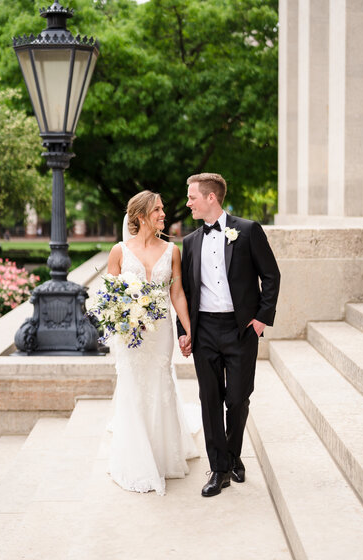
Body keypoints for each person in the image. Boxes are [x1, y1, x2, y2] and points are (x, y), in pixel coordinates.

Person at [177, 173, 280, 497]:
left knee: (237, 399)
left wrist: (262, 319)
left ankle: (234, 455)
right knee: (209, 401)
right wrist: (185, 331)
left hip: (239, 330)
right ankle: (219, 468)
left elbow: (271, 275)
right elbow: (186, 291)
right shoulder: (190, 242)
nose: (188, 202)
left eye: (192, 197)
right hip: (204, 330)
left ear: (211, 198)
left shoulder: (247, 231)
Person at [106, 190, 198, 495]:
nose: (163, 214)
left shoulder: (172, 250)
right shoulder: (119, 251)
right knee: (133, 387)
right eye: (157, 210)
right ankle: (136, 458)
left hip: (160, 333)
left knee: (159, 385)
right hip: (130, 335)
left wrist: (189, 329)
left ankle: (160, 454)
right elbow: (110, 298)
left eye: (162, 209)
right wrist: (122, 314)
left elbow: (177, 294)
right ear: (140, 216)